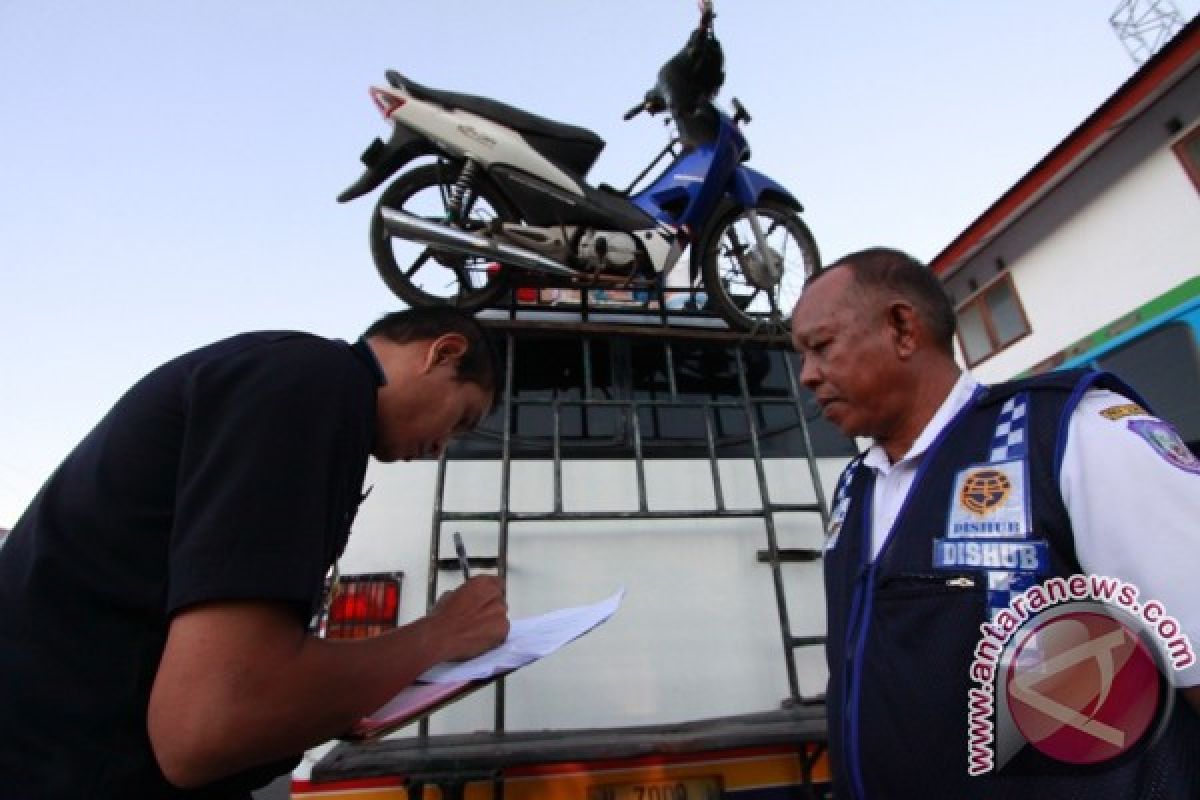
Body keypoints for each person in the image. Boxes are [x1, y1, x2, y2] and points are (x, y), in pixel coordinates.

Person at [0, 307, 510, 798]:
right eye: (462, 418)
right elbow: (208, 726)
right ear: (443, 353)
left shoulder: (297, 384)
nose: (444, 448)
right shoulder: (313, 383)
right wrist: (442, 634)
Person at [790, 248, 1200, 798]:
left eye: (821, 347)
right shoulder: (854, 488)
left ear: (902, 328)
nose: (807, 376)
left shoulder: (1067, 435)